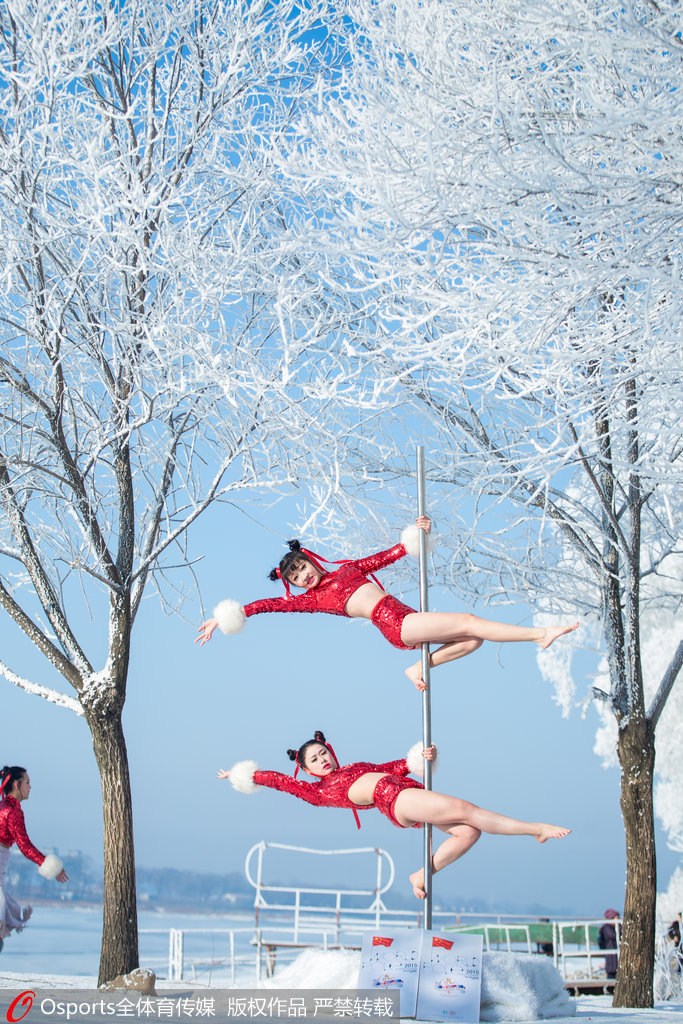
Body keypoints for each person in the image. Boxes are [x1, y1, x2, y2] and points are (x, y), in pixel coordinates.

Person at [197, 518, 578, 689]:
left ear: (311, 559)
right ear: (294, 586)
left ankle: (417, 668)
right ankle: (539, 634)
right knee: (468, 620)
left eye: (302, 568)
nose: (303, 576)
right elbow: (269, 606)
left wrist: (416, 535)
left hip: (406, 616)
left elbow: (385, 556)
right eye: (295, 577)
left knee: (472, 640)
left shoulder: (347, 570)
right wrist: (227, 616)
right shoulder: (311, 602)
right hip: (393, 624)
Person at [217, 730, 571, 900]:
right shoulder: (317, 792)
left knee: (467, 831)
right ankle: (535, 829)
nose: (323, 759)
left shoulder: (355, 766)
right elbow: (280, 782)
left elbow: (390, 766)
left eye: (324, 753)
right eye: (315, 759)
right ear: (307, 771)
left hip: (404, 793)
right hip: (394, 799)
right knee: (467, 810)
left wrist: (419, 758)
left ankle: (421, 873)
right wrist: (244, 775)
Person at [0, 765, 68, 949]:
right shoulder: (12, 811)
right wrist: (50, 866)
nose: (30, 787)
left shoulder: (3, 806)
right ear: (16, 784)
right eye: (28, 782)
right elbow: (25, 846)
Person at [597, 908, 620, 979]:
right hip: (611, 961)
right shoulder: (606, 928)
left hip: (617, 960)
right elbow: (613, 935)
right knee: (612, 976)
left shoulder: (617, 927)